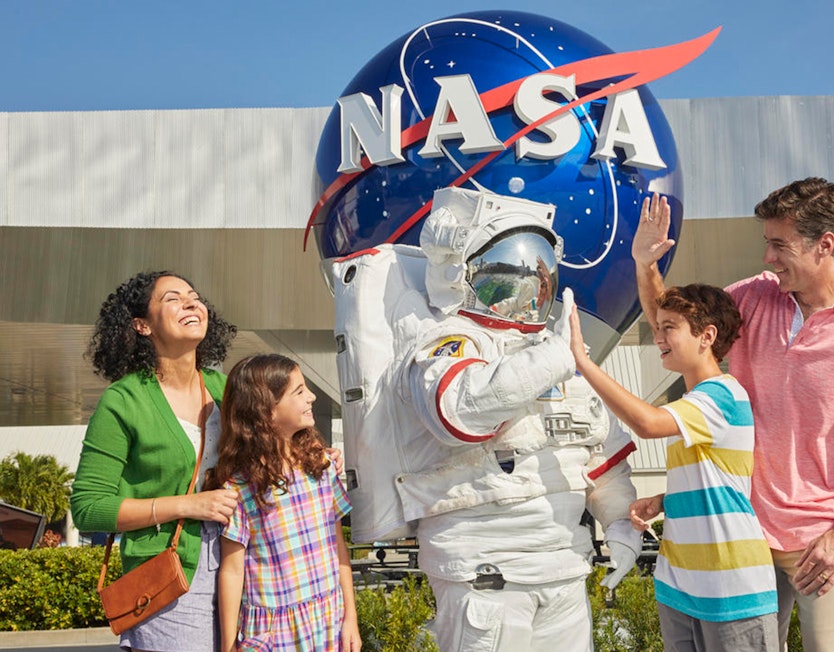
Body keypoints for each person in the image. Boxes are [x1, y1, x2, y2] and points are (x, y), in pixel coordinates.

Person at [332, 187, 641, 652]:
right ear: (462, 276)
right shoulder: (443, 342)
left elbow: (598, 452)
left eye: (534, 280)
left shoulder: (553, 353)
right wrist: (558, 356)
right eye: (504, 280)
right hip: (486, 576)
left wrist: (620, 526)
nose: (523, 295)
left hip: (564, 569)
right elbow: (460, 412)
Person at [633, 178, 834, 652]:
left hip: (820, 543)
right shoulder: (753, 298)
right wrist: (646, 265)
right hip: (744, 531)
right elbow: (673, 328)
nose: (767, 257)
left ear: (824, 245)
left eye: (779, 244)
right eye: (766, 242)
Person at [568, 283, 779, 651]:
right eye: (658, 325)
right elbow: (716, 476)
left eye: (670, 327)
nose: (658, 335)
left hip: (730, 588)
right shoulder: (692, 404)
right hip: (681, 587)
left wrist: (584, 364)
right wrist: (666, 500)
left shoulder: (723, 395)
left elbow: (647, 424)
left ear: (706, 336)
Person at [71, 271, 241, 651]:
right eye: (172, 298)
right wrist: (187, 505)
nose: (190, 302)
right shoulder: (123, 401)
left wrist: (310, 456)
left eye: (194, 296)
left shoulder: (226, 386)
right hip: (169, 576)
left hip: (241, 557)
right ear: (142, 325)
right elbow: (88, 507)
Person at [207, 354, 361, 652]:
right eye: (299, 391)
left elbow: (338, 545)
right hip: (272, 635)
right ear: (265, 410)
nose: (312, 396)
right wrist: (228, 646)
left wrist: (350, 618)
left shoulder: (322, 466)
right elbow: (232, 570)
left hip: (328, 622)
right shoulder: (239, 489)